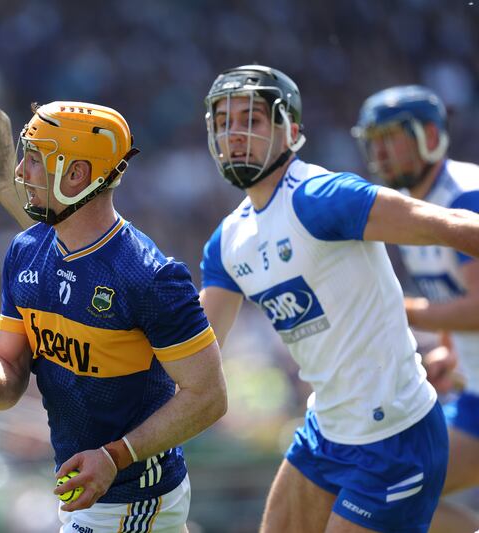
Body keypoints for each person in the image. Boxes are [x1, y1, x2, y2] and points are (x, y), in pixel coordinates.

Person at [198, 65, 479, 533]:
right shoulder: (227, 240)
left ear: (290, 129)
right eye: (224, 121)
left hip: (396, 435)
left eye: (252, 119)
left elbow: (449, 226)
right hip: (326, 431)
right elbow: (198, 351)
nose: (235, 133)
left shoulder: (324, 197)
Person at [0, 101, 228, 532]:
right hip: (84, 493)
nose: (19, 172)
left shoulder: (150, 277)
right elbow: (9, 376)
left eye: (35, 159)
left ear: (75, 175)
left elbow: (209, 396)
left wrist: (117, 456)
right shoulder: (25, 252)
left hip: (135, 495)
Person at [353, 85, 479, 533]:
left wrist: (400, 309)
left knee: (384, 492)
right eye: (372, 140)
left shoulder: (465, 197)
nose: (379, 152)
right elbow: (452, 293)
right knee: (384, 493)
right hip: (473, 394)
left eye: (390, 137)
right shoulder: (418, 206)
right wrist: (449, 350)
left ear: (429, 135)